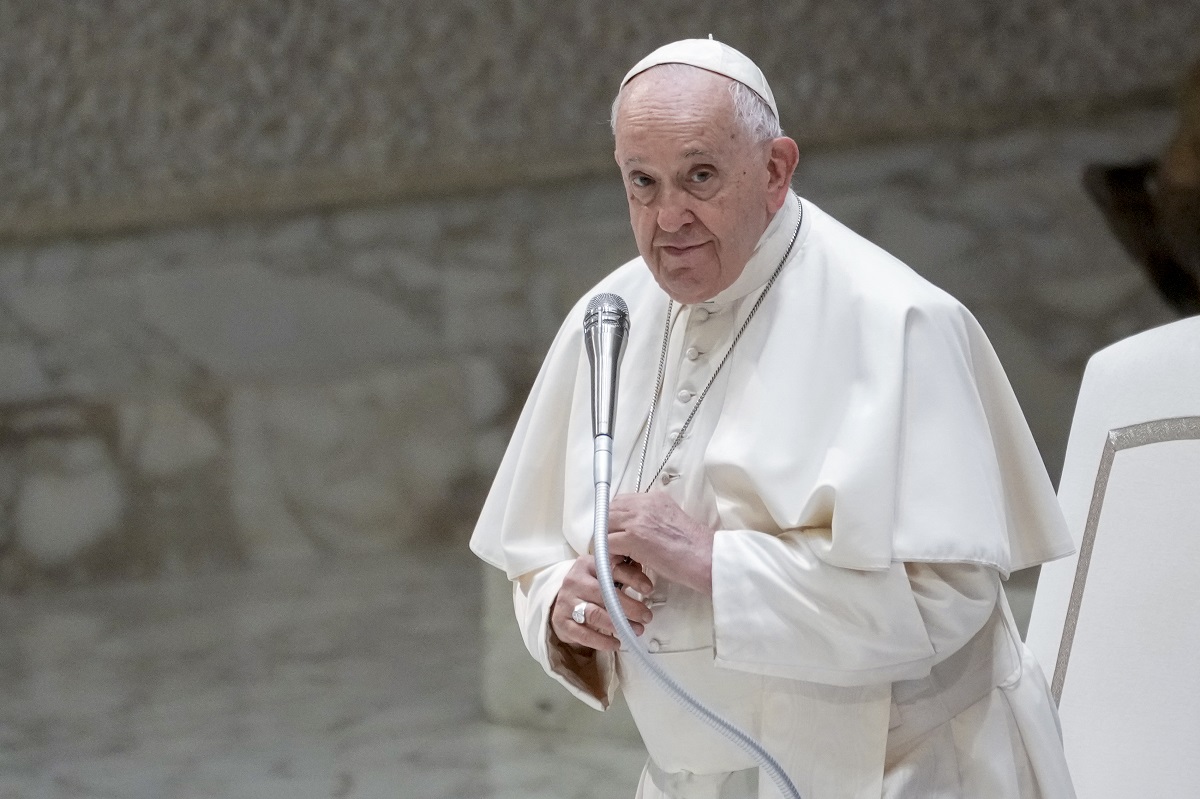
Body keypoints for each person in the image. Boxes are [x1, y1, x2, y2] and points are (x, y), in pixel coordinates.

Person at [471, 38, 1077, 799]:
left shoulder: (898, 321)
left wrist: (711, 562)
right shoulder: (610, 315)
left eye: (699, 176)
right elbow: (533, 558)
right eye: (642, 183)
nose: (669, 218)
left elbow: (947, 599)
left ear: (776, 169)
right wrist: (568, 607)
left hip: (900, 769)